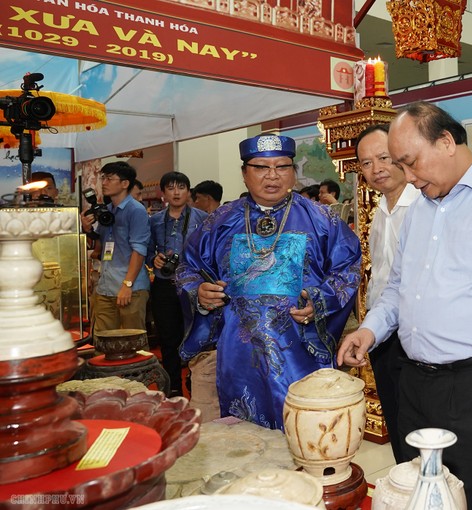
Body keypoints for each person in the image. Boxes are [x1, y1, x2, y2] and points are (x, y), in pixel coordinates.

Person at [337, 102, 472, 509]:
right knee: (422, 494)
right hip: (416, 384)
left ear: (446, 141)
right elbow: (399, 288)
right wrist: (370, 329)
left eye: (412, 162)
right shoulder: (420, 209)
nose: (410, 176)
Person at [177, 134, 362, 430]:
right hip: (238, 357)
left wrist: (320, 300)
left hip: (300, 353)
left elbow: (348, 267)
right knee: (243, 446)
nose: (273, 176)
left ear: (293, 171)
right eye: (262, 167)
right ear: (244, 173)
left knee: (305, 436)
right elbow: (188, 267)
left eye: (282, 166)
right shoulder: (219, 222)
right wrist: (198, 293)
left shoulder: (322, 220)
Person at [355, 124, 420, 464]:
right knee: (395, 419)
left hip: (415, 336)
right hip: (382, 334)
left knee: (417, 423)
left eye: (383, 157)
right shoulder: (380, 211)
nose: (376, 169)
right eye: (366, 163)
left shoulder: (422, 206)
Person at [148, 171, 208, 396]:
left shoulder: (201, 218)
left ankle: (196, 384)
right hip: (164, 285)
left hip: (194, 286)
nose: (176, 192)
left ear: (188, 192)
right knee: (168, 337)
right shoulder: (154, 220)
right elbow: (147, 251)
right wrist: (153, 259)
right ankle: (173, 386)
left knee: (196, 334)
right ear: (163, 193)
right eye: (171, 188)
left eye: (181, 187)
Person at [81, 161, 151, 335]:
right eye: (103, 178)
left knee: (133, 342)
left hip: (130, 288)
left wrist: (127, 285)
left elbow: (139, 250)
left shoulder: (136, 210)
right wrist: (88, 230)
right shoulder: (107, 210)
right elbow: (100, 247)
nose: (103, 183)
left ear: (125, 184)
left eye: (109, 179)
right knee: (103, 340)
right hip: (105, 287)